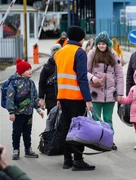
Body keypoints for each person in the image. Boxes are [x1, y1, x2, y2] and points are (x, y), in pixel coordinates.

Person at [54, 25, 95, 171]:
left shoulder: (59, 52)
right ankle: (78, 160)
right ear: (81, 38)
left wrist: (58, 97)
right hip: (76, 97)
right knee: (78, 129)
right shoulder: (80, 52)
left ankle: (67, 160)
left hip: (63, 96)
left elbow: (57, 78)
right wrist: (88, 99)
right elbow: (82, 78)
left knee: (65, 128)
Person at [87, 31, 124, 151]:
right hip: (95, 93)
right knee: (96, 119)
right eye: (99, 43)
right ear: (96, 44)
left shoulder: (113, 55)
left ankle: (109, 140)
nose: (101, 46)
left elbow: (119, 75)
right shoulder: (92, 54)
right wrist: (92, 78)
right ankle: (97, 140)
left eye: (104, 44)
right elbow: (84, 71)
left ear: (108, 44)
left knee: (108, 118)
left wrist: (119, 93)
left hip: (110, 94)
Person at [6, 58, 44, 160]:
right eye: (27, 69)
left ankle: (28, 150)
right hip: (18, 113)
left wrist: (39, 110)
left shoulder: (31, 83)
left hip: (28, 113)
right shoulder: (13, 83)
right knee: (17, 132)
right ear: (21, 72)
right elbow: (10, 98)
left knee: (27, 132)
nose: (30, 71)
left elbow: (34, 98)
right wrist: (11, 112)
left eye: (30, 69)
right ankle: (16, 150)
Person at [38, 44, 61, 115]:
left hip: (62, 99)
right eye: (55, 54)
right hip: (50, 100)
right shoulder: (47, 67)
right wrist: (41, 98)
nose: (57, 56)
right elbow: (41, 83)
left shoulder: (64, 65)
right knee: (51, 121)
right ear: (52, 55)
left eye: (59, 53)